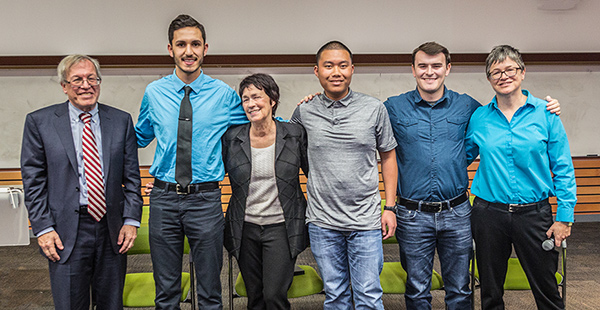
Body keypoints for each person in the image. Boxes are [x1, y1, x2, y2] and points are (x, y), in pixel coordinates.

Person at [383, 42, 561, 310]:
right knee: (417, 289)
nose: (429, 72)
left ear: (448, 68)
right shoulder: (394, 107)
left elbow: (504, 115)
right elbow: (359, 115)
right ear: (413, 70)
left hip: (457, 213)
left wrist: (547, 108)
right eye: (423, 66)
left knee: (460, 289)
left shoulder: (469, 108)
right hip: (413, 214)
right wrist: (318, 99)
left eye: (436, 66)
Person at [135, 14, 248, 309]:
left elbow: (258, 123)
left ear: (205, 48)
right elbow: (136, 138)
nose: (189, 51)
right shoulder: (154, 93)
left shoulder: (224, 95)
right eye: (181, 44)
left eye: (195, 44)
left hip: (206, 199)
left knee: (211, 291)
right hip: (163, 200)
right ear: (170, 49)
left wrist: (302, 114)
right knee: (167, 292)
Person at [20, 54, 143, 309]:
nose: (86, 85)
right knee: (70, 304)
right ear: (64, 86)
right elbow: (33, 182)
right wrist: (42, 229)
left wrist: (131, 220)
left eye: (92, 78)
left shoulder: (121, 121)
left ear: (99, 82)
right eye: (77, 79)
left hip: (112, 229)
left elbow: (132, 178)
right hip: (64, 231)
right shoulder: (39, 122)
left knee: (111, 303)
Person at [465, 45, 576, 310]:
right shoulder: (480, 117)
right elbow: (461, 157)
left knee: (547, 289)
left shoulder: (546, 113)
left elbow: (563, 167)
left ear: (522, 72)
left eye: (510, 69)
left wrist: (564, 216)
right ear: (489, 79)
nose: (503, 76)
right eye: (495, 72)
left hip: (534, 215)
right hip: (488, 214)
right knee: (490, 290)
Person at [290, 41, 398, 309]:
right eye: (328, 66)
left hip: (366, 221)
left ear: (352, 69)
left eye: (342, 65)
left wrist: (390, 206)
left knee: (369, 296)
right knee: (335, 296)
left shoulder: (374, 108)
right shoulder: (304, 111)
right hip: (322, 221)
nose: (335, 72)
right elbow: (286, 147)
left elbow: (388, 156)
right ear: (317, 71)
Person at [222, 73, 309, 310]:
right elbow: (210, 170)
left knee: (274, 296)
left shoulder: (293, 135)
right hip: (244, 228)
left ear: (272, 100)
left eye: (257, 97)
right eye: (246, 99)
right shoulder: (232, 137)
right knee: (255, 298)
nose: (251, 104)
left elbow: (313, 173)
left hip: (282, 227)